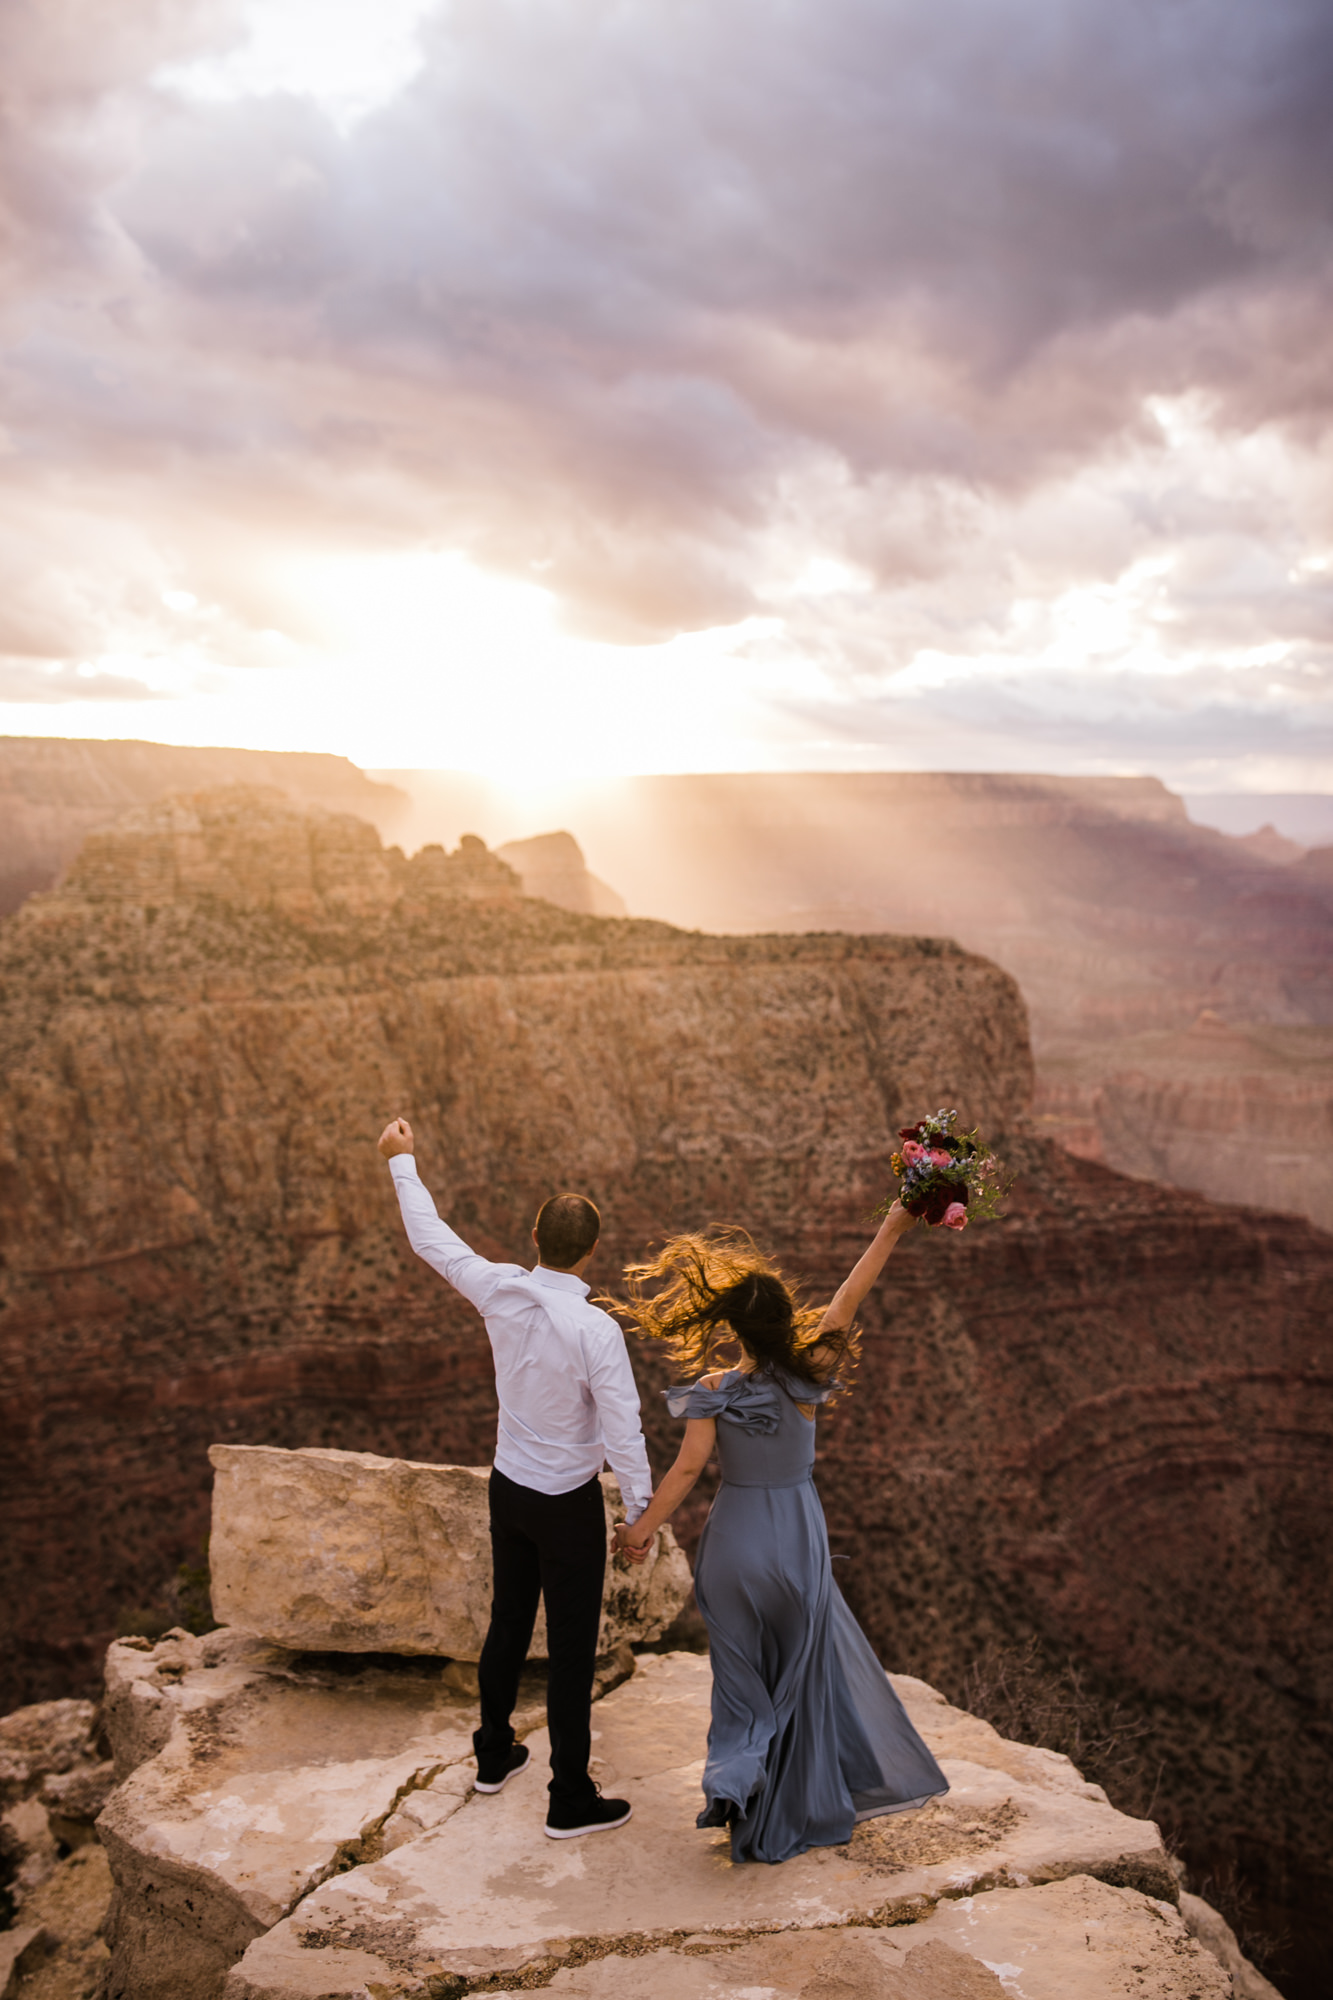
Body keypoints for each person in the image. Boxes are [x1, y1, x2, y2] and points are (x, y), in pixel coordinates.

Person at [613, 1202, 948, 1863]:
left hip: (732, 1545)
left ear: (731, 1326)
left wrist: (639, 1531)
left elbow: (684, 1471)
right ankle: (789, 1805)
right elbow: (849, 1298)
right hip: (795, 1542)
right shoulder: (807, 1375)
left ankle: (734, 1781)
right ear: (781, 1320)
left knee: (740, 1684)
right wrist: (892, 1225)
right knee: (797, 1681)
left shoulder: (713, 1387)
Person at [377, 1115, 652, 1839]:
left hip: (509, 1486)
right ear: (592, 1249)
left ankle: (493, 1756)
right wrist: (640, 1514)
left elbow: (429, 1238)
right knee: (568, 1650)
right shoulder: (596, 1329)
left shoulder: (497, 1288)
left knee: (506, 1619)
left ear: (534, 1239)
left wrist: (401, 1159)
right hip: (567, 1503)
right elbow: (623, 1426)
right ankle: (569, 1798)